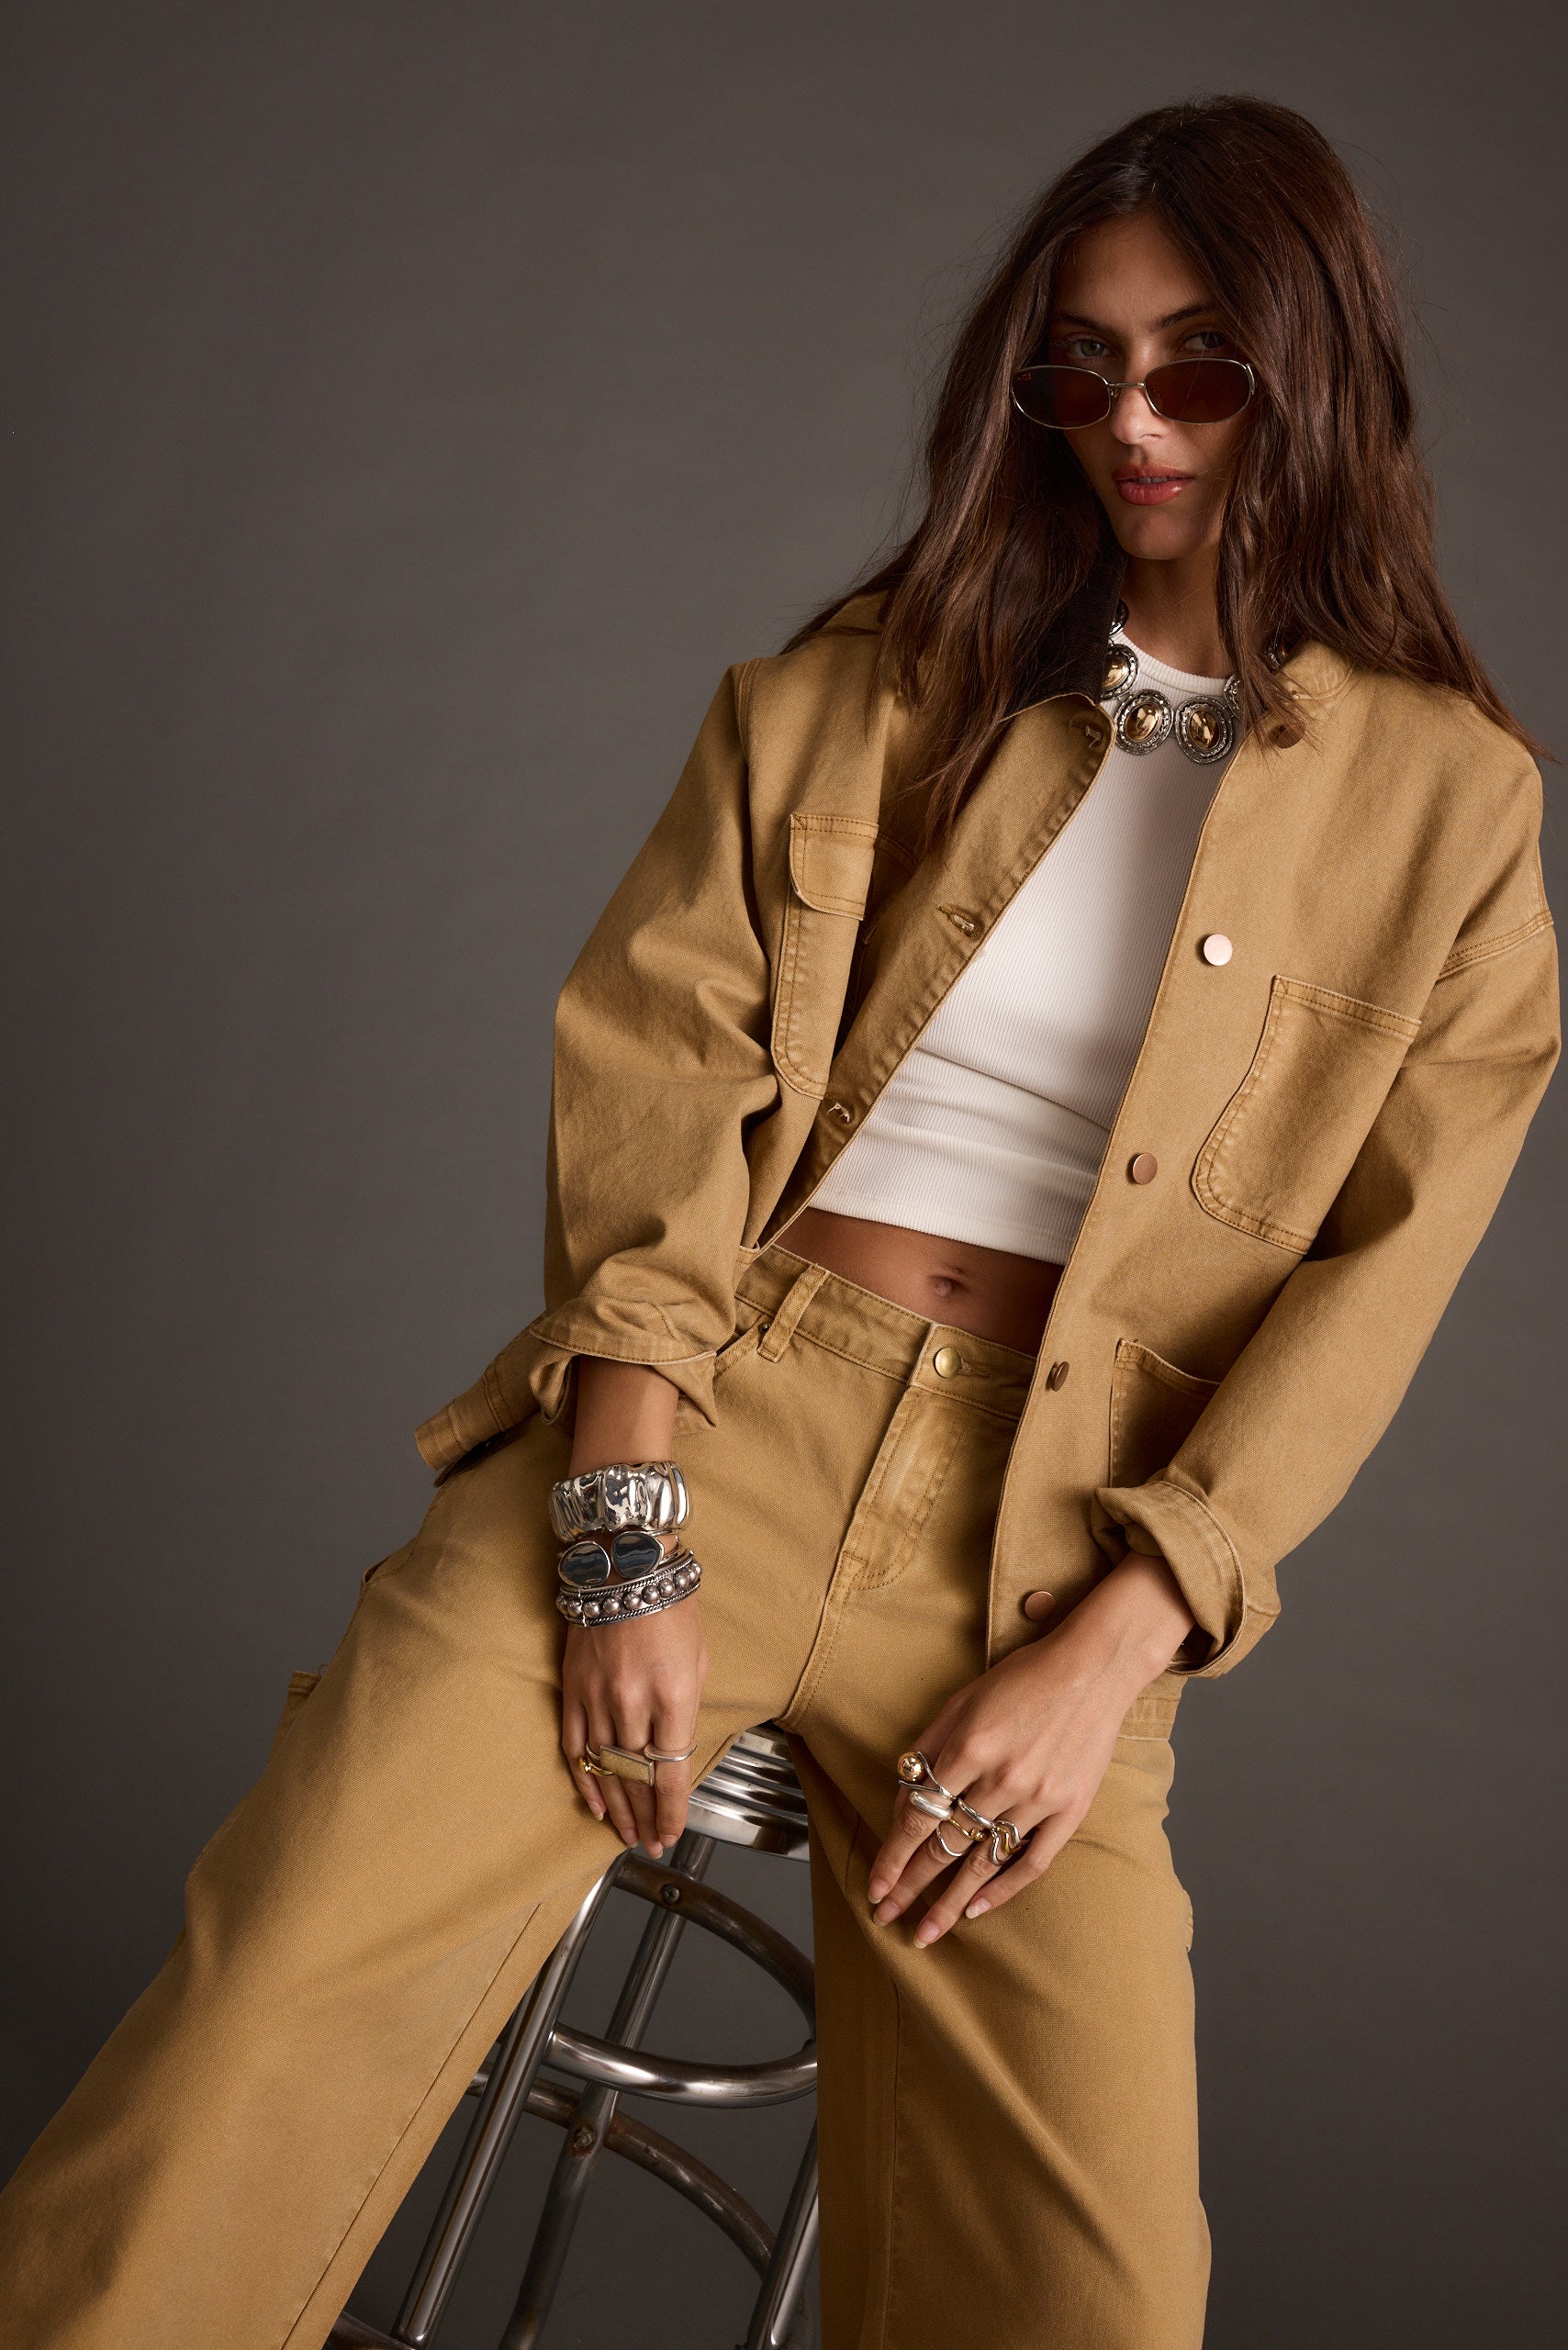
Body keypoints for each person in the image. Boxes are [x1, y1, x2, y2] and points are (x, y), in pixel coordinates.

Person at [0, 93, 1556, 2350]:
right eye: (1080, 364)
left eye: (1199, 365)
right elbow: (659, 1073)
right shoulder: (865, 685)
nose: (1132, 420)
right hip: (712, 1412)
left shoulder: (1454, 814)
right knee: (257, 2016)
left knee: (1098, 2293)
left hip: (1046, 1563)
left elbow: (1375, 1286)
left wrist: (1115, 1644)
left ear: (1314, 370)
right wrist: (623, 1516)